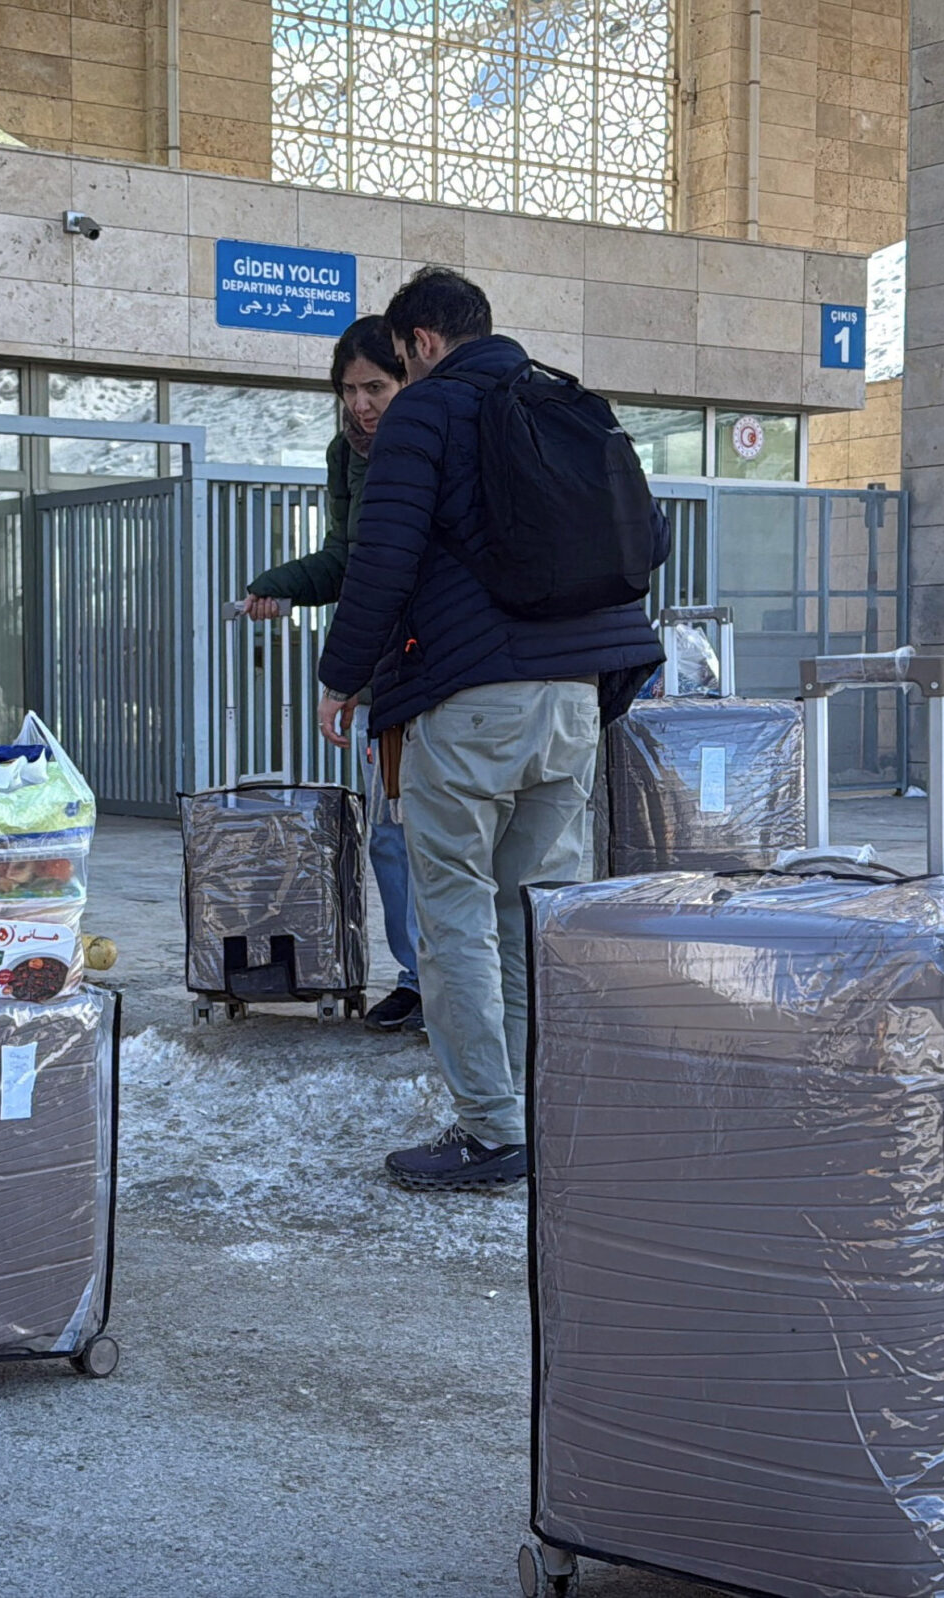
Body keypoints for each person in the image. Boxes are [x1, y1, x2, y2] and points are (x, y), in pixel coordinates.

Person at [315, 269, 664, 1193]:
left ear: (423, 342)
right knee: (537, 916)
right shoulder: (565, 400)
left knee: (455, 919)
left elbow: (380, 562)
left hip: (471, 704)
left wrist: (341, 676)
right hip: (576, 701)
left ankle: (487, 1128)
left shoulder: (426, 417)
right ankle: (538, 1113)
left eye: (396, 357)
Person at [241, 315, 422, 1032]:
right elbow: (349, 562)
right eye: (348, 391)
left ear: (409, 374)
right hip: (385, 678)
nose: (360, 405)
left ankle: (457, 982)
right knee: (391, 836)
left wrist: (340, 677)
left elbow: (392, 569)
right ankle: (414, 974)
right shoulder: (345, 455)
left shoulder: (433, 444)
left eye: (375, 387)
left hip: (442, 669)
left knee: (440, 843)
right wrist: (278, 583)